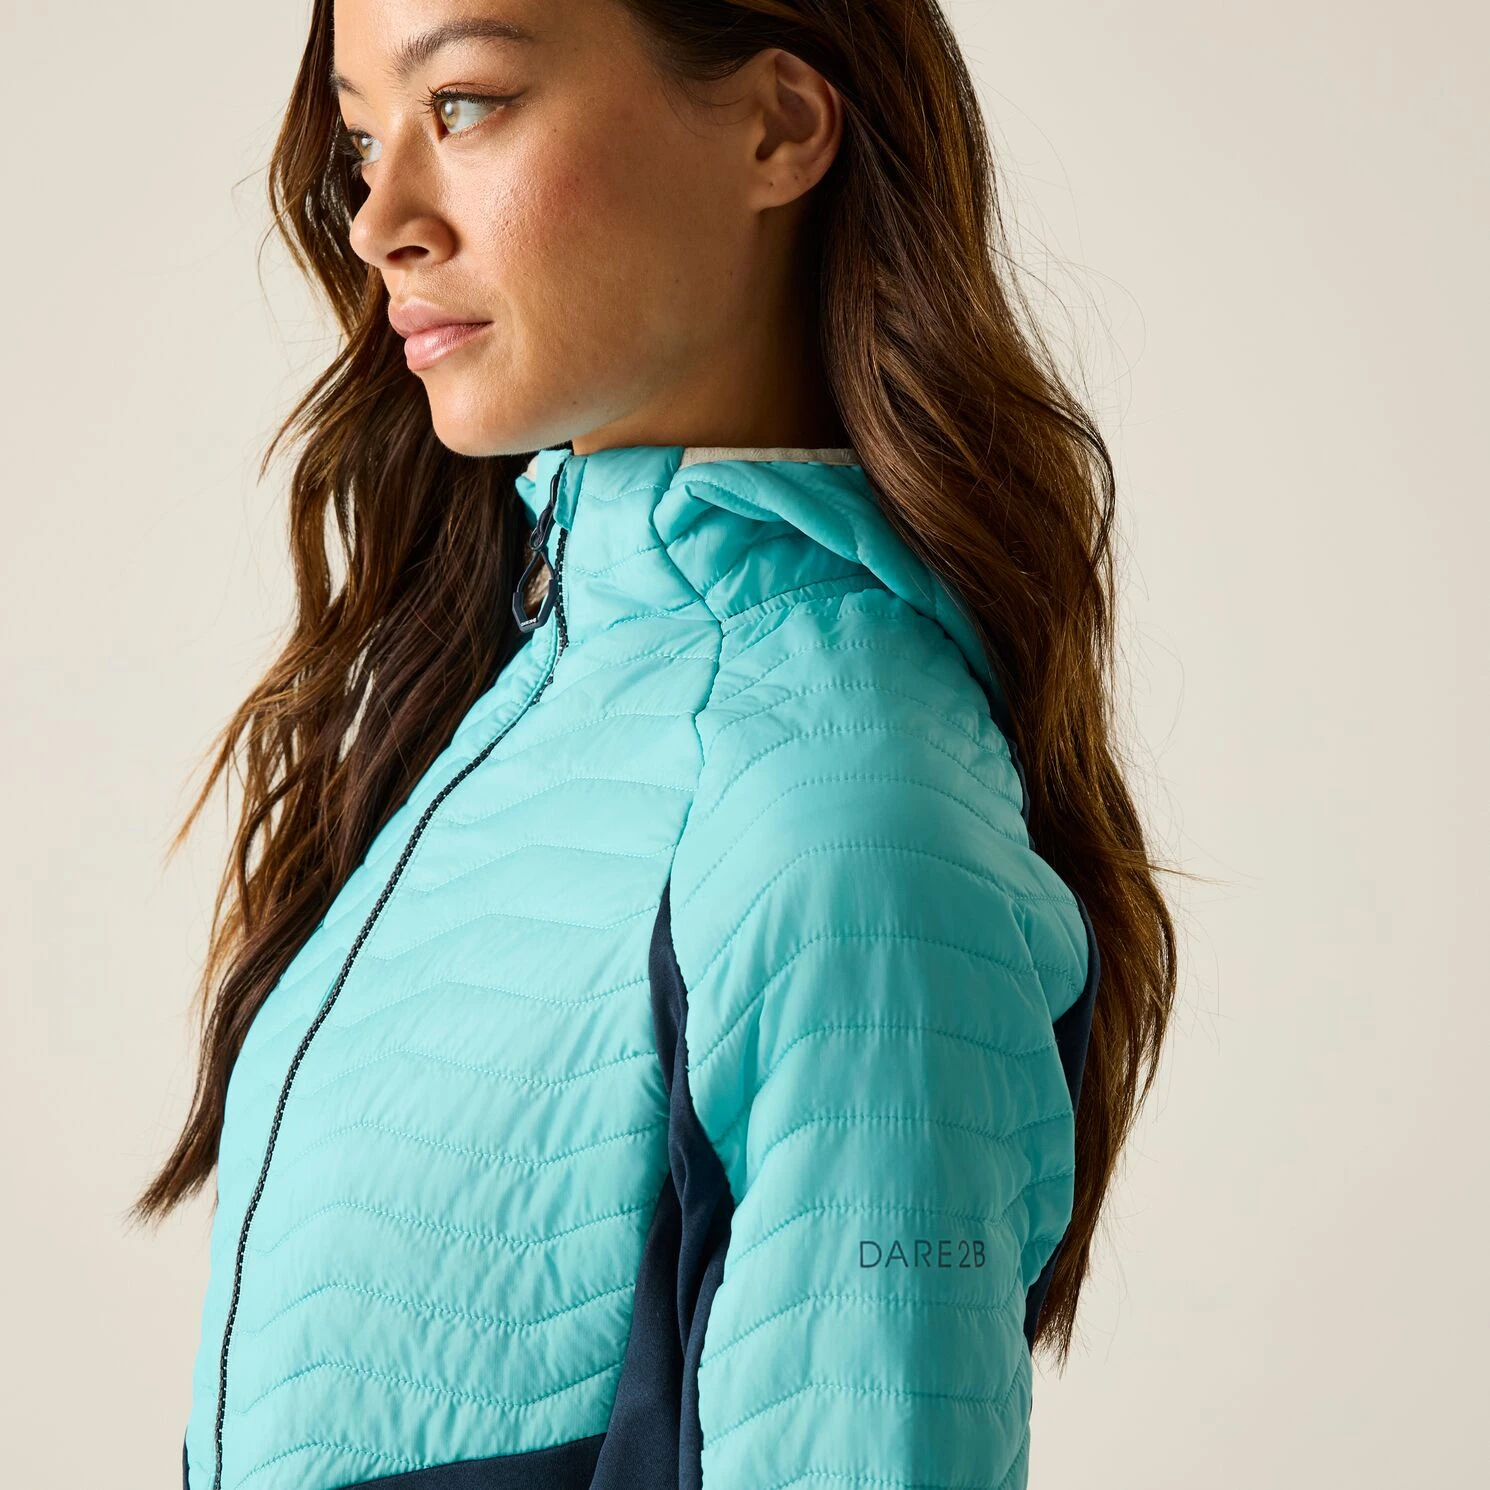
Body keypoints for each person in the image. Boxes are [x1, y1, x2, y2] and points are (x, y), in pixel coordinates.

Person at [133, 2, 1177, 1487]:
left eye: (467, 104)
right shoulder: (539, 694)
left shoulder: (837, 815)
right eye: (363, 138)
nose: (379, 219)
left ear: (777, 126)